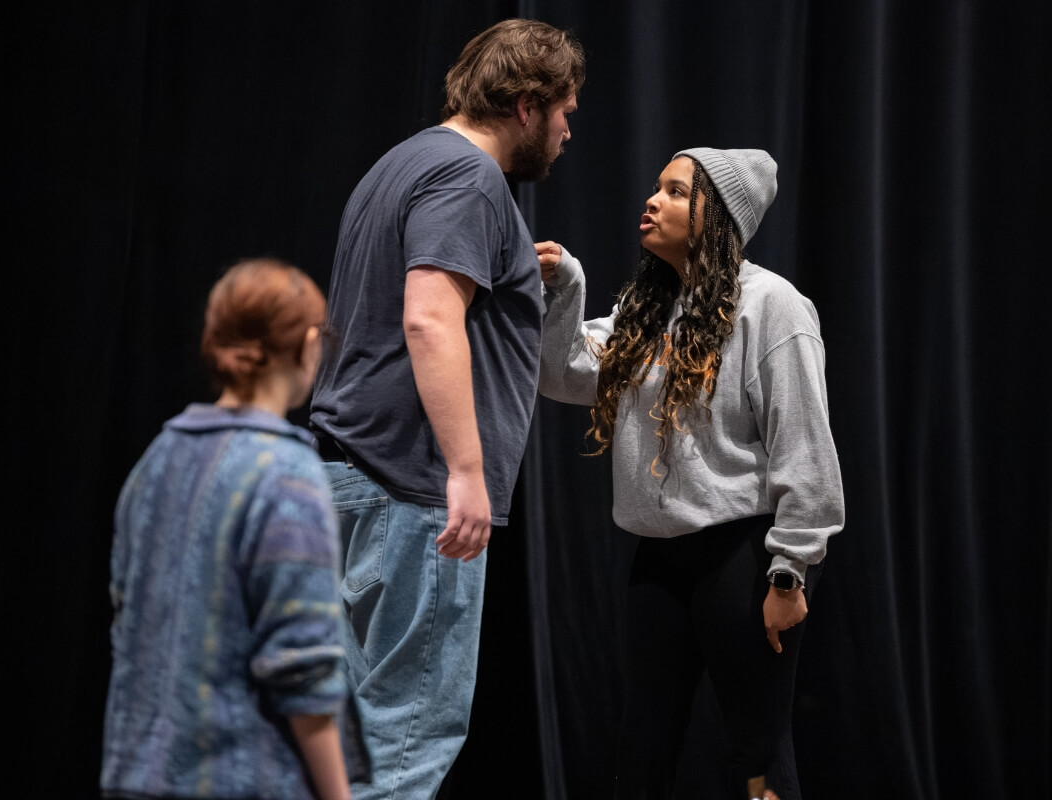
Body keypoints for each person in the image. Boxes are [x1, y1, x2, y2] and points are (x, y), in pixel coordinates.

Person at [308, 18, 585, 800]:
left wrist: (506, 269)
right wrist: (466, 473)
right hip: (412, 489)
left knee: (349, 744)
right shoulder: (469, 178)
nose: (570, 130)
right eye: (565, 109)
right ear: (527, 104)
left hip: (350, 476)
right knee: (402, 742)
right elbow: (428, 318)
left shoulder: (401, 164)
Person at [537, 148, 844, 800]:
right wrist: (567, 287)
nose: (653, 201)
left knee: (758, 746)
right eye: (656, 188)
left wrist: (790, 570)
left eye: (676, 192)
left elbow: (807, 450)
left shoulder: (773, 307)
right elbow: (560, 374)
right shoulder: (646, 311)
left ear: (719, 216)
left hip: (746, 555)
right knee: (642, 745)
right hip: (661, 559)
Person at [101, 259, 367, 800]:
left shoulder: (154, 461)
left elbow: (125, 623)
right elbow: (304, 669)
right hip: (242, 778)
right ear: (308, 344)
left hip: (136, 775)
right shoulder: (289, 475)